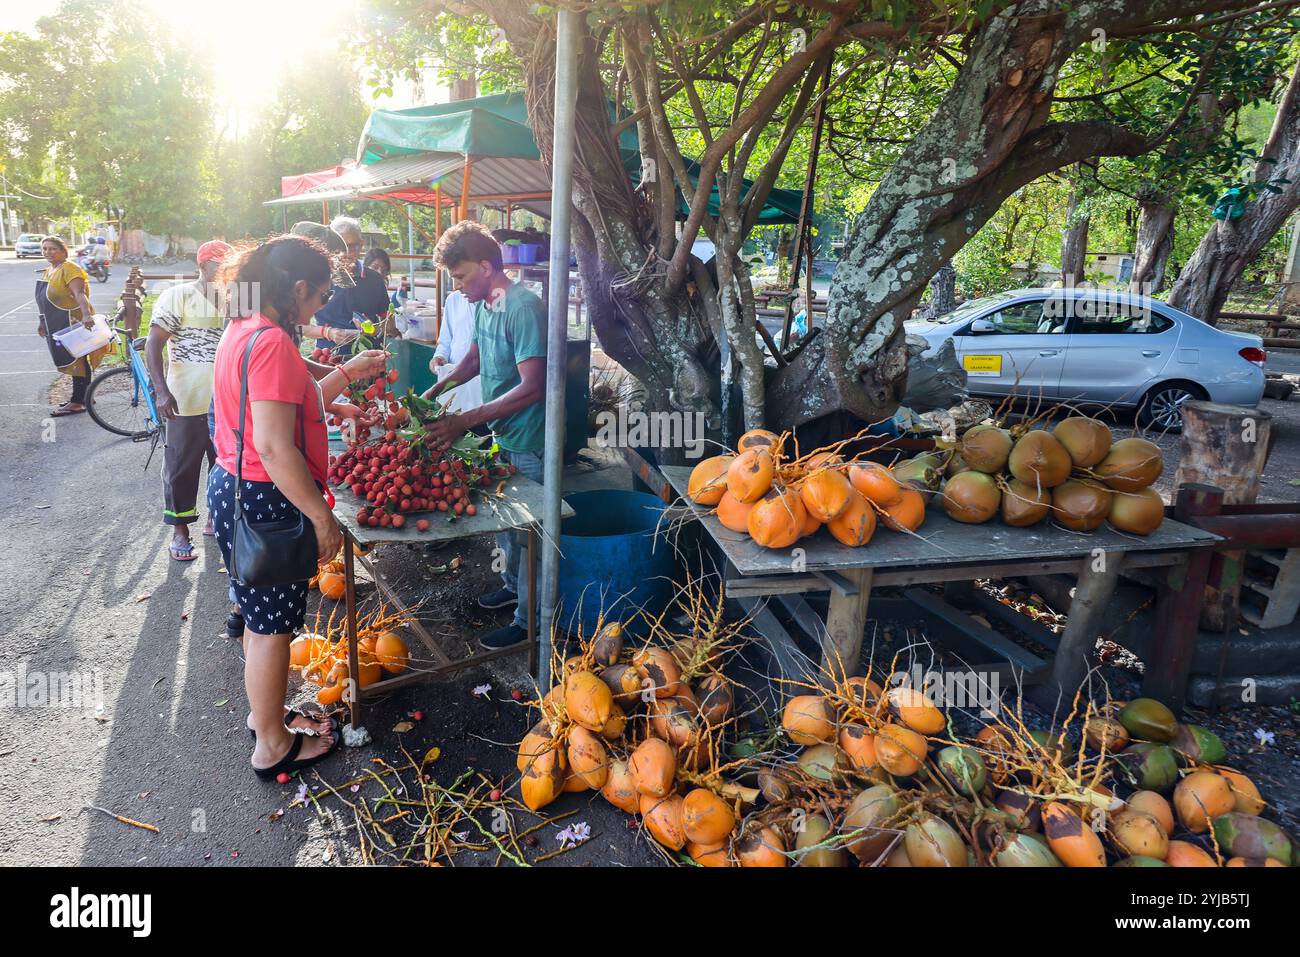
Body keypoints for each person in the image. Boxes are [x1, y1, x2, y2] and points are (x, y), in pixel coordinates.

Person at [207, 234, 387, 780]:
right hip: (268, 497)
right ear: (299, 288)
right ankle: (272, 745)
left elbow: (293, 389)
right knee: (272, 629)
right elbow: (274, 445)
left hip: (233, 486)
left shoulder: (244, 327)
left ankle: (266, 719)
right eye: (317, 299)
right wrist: (320, 516)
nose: (317, 310)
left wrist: (345, 375)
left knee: (260, 620)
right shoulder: (268, 342)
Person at [421, 221, 546, 651]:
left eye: (461, 276)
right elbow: (475, 358)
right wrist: (437, 389)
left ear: (488, 267)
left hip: (530, 437)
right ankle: (513, 587)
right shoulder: (483, 305)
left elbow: (533, 386)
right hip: (502, 431)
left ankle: (530, 621)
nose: (457, 286)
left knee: (531, 532)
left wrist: (462, 421)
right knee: (507, 521)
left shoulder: (523, 307)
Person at [146, 240, 231, 561]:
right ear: (202, 265)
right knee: (181, 468)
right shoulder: (176, 296)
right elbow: (153, 345)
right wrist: (161, 391)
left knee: (223, 464)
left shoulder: (238, 299)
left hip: (224, 401)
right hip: (185, 400)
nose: (223, 273)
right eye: (217, 267)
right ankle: (180, 530)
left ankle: (214, 515)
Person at [36, 236, 111, 417]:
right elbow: (43, 300)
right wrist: (42, 321)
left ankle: (77, 402)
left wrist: (86, 315)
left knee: (76, 360)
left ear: (63, 250)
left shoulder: (70, 269)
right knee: (72, 358)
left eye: (52, 248)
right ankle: (85, 396)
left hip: (73, 320)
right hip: (54, 320)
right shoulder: (50, 270)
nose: (48, 252)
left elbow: (79, 293)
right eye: (45, 249)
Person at [305, 216, 390, 353]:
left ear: (361, 244)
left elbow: (389, 324)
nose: (346, 253)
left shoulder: (375, 279)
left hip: (369, 358)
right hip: (329, 358)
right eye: (340, 246)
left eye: (352, 246)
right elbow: (300, 327)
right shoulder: (319, 278)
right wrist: (329, 333)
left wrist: (374, 330)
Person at [431, 288, 483, 412]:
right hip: (454, 386)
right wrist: (439, 356)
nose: (457, 284)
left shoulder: (493, 302)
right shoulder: (453, 299)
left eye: (460, 276)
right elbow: (445, 340)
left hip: (482, 388)